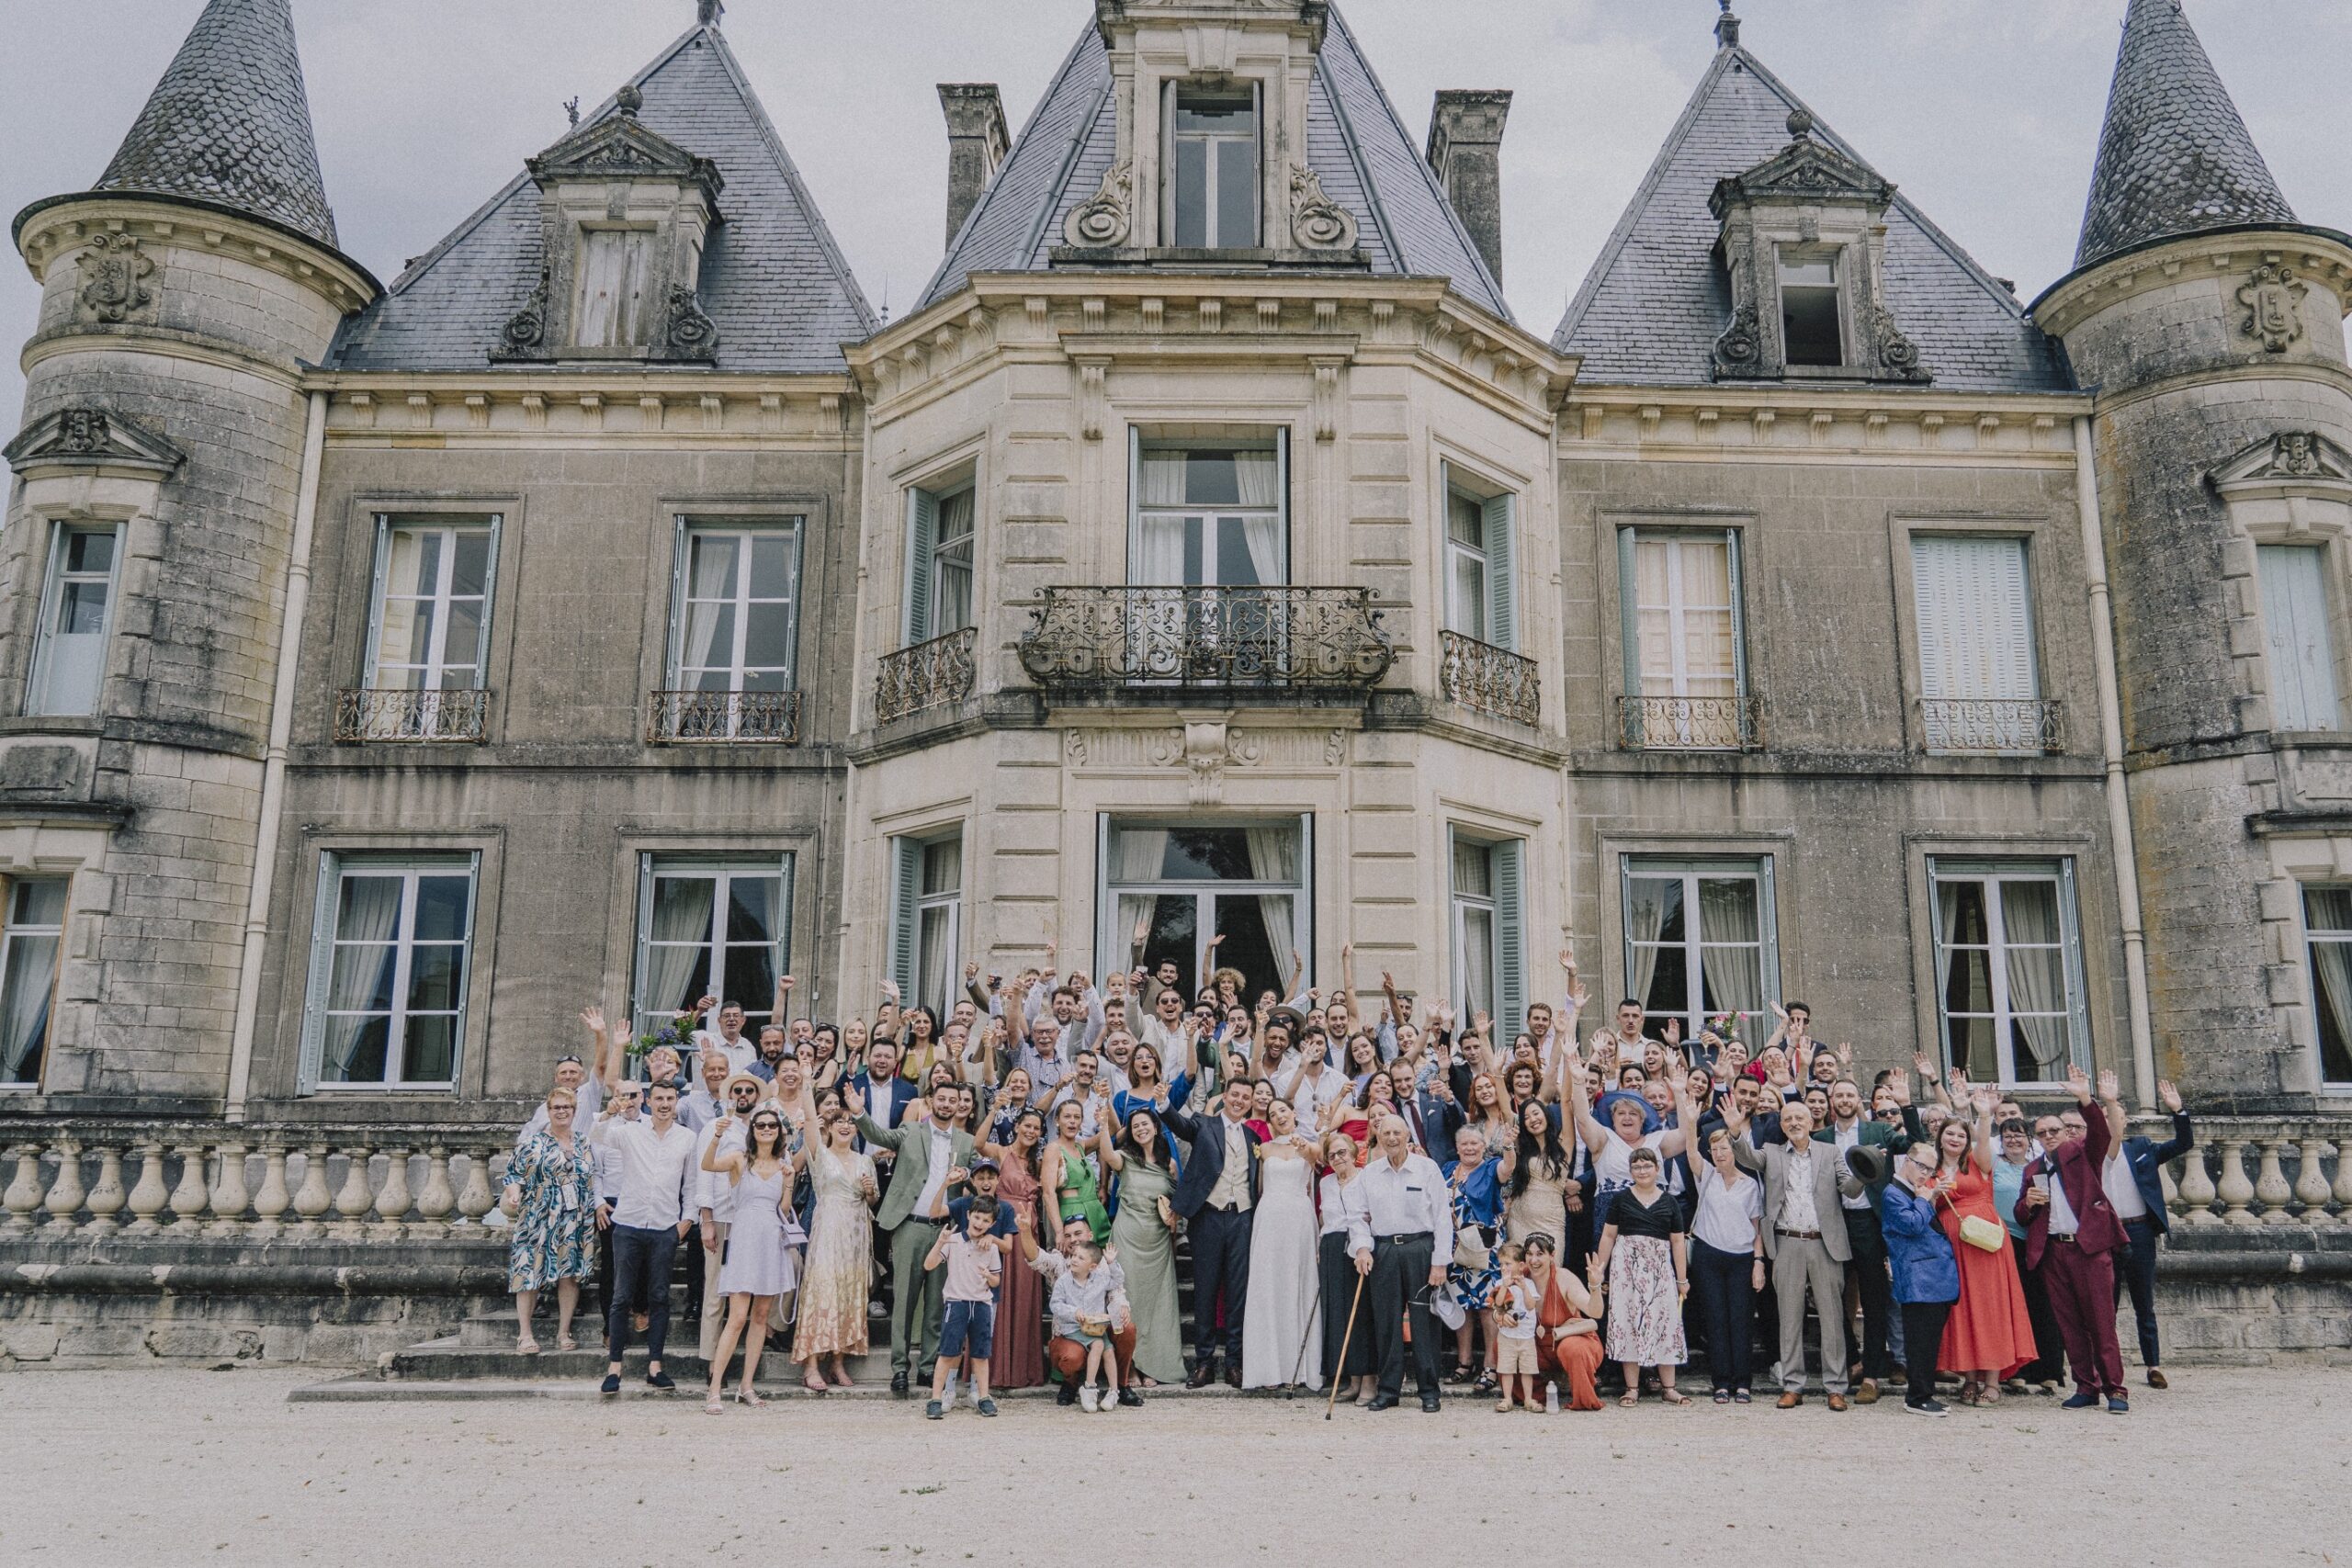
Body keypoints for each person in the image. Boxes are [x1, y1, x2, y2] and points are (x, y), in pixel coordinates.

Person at [1724, 1090, 1860, 1409]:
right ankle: (1793, 1385)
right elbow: (1747, 1158)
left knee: (1831, 1317)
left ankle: (1835, 1387)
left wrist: (1866, 1173)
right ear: (1782, 1125)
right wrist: (1734, 1131)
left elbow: (1849, 1188)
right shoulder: (1771, 1152)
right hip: (1786, 1242)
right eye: (1788, 1119)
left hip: (1824, 1243)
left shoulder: (1830, 1152)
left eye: (1800, 1117)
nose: (1794, 1122)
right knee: (1789, 1318)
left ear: (1811, 1122)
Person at [2016, 1067, 2132, 1413]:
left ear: (2065, 1132)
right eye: (2042, 1133)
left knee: (2101, 1322)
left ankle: (2115, 1389)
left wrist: (2086, 1098)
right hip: (2053, 1250)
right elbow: (2021, 1214)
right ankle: (2086, 1386)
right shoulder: (2032, 1169)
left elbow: (2101, 1132)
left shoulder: (2083, 1153)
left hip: (2089, 1249)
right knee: (2069, 1324)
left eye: (2054, 1130)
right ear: (2036, 1138)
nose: (2049, 1136)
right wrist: (2027, 1204)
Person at [853, 1077, 975, 1398]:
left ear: (959, 1105)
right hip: (910, 1225)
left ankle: (928, 1366)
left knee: (936, 1302)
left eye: (953, 1100)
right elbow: (880, 1136)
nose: (947, 1104)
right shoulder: (911, 1130)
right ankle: (899, 1368)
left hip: (945, 1230)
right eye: (942, 1099)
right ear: (931, 1101)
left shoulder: (966, 1141)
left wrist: (968, 1174)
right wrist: (859, 1113)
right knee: (905, 1300)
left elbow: (979, 1174)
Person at [589, 1079, 697, 1395]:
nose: (664, 1104)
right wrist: (609, 1112)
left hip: (665, 1226)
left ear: (676, 1102)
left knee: (659, 1296)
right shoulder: (631, 1132)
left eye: (670, 1099)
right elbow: (596, 1135)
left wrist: (686, 1221)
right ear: (649, 1101)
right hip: (629, 1224)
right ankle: (614, 1368)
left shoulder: (687, 1137)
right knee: (621, 1297)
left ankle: (655, 1367)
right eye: (659, 1098)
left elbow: (691, 1183)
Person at [1931, 1083, 2036, 1404]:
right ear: (1940, 1137)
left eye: (1961, 1135)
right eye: (1949, 1134)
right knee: (1963, 1310)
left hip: (1985, 1242)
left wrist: (1983, 1114)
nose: (1955, 1139)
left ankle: (1992, 1381)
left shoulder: (1977, 1161)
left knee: (1991, 1307)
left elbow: (1983, 1143)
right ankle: (1970, 1378)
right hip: (1952, 1245)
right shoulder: (1931, 1168)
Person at [1163, 1077, 1264, 1388]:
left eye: (1245, 1097)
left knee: (1237, 1293)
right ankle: (1204, 1363)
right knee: (1205, 1292)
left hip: (1242, 1218)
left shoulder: (1252, 1137)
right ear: (1225, 1096)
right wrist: (1163, 1104)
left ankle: (1234, 1363)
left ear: (1250, 1102)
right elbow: (1180, 1125)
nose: (1239, 1101)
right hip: (1207, 1217)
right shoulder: (1204, 1124)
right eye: (1235, 1095)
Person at [1349, 1112, 1453, 1413]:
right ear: (1378, 1137)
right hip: (1383, 1251)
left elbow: (1442, 1217)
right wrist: (1362, 1248)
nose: (1392, 1138)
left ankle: (1429, 1391)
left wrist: (1440, 1262)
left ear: (1408, 1136)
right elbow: (1358, 1216)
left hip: (1420, 1248)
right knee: (1386, 1322)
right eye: (1386, 1133)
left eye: (1397, 1133)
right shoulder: (1369, 1173)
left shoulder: (1427, 1168)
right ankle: (1389, 1390)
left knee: (1424, 1322)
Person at [697, 1108, 798, 1413]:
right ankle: (715, 1388)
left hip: (771, 1238)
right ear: (753, 1130)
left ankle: (747, 1385)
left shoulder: (784, 1164)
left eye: (772, 1125)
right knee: (738, 1316)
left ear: (779, 1131)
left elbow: (784, 1209)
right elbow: (707, 1165)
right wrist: (717, 1136)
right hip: (744, 1236)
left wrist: (789, 1181)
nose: (767, 1129)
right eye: (761, 1125)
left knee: (761, 1316)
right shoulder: (740, 1159)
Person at [499, 1088, 599, 1355]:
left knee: (570, 1274)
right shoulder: (533, 1143)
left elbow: (593, 1176)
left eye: (567, 1107)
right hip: (538, 1216)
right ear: (549, 1111)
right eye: (557, 1107)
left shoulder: (584, 1142)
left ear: (574, 1111)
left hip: (573, 1218)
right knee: (529, 1273)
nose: (562, 1111)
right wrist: (514, 1194)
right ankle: (525, 1334)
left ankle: (564, 1332)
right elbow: (512, 1174)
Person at [2109, 1078, 2192, 1389]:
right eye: (2107, 1117)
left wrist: (2178, 1111)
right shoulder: (2093, 1155)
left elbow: (2182, 1144)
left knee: (2144, 1302)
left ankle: (2153, 1365)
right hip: (2108, 1233)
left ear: (2125, 1122)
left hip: (2140, 1229)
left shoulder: (2141, 1148)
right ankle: (2109, 1366)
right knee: (2107, 1304)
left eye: (2117, 1117)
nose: (2112, 1122)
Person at [1590, 1145, 1690, 1405]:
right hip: (1626, 1269)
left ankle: (1669, 1388)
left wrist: (1682, 1279)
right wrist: (1600, 1271)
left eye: (1647, 1166)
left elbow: (1678, 1242)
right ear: (1631, 1170)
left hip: (1660, 1270)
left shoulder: (1669, 1201)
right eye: (1636, 1166)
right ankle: (1632, 1388)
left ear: (1657, 1169)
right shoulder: (1620, 1199)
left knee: (1665, 1323)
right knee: (1628, 1323)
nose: (1642, 1170)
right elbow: (1608, 1236)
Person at [794, 1107, 880, 1392]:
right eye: (839, 1121)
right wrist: (807, 1085)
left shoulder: (865, 1160)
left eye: (851, 1122)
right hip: (828, 1230)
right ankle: (811, 1365)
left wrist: (869, 1190)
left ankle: (837, 1363)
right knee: (822, 1292)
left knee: (849, 1294)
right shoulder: (820, 1155)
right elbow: (809, 1121)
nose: (845, 1125)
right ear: (829, 1128)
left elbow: (872, 1201)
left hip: (856, 1234)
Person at [1018, 1209, 1140, 1405]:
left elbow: (1116, 1288)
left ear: (1090, 1235)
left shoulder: (1101, 1265)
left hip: (1098, 1328)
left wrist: (1122, 1306)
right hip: (1070, 1332)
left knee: (1127, 1329)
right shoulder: (1060, 1263)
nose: (1073, 1239)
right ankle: (1071, 1383)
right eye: (1068, 1235)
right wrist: (1025, 1231)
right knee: (1072, 1356)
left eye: (1077, 1233)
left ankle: (1120, 1387)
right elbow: (1036, 1258)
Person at [1240, 1099, 1323, 1390]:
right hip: (1270, 1217)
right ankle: (1268, 1369)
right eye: (1273, 1114)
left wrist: (1305, 1147)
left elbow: (1317, 1158)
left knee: (1298, 1285)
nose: (1279, 1116)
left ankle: (1297, 1369)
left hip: (1299, 1216)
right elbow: (1259, 1186)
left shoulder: (1309, 1145)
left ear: (1294, 1113)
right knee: (1269, 1287)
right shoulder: (1264, 1149)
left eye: (1283, 1111)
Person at [1101, 1106, 1184, 1388]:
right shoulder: (1125, 1158)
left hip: (1158, 1241)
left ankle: (1154, 1365)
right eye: (1135, 1126)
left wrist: (1174, 1218)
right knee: (1129, 1303)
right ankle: (1131, 1367)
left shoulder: (1168, 1164)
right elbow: (1107, 1154)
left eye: (1145, 1124)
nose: (1140, 1129)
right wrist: (1103, 1125)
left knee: (1158, 1306)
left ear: (1156, 1128)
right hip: (1127, 1238)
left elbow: (1176, 1202)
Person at [1880, 1138, 1960, 1416]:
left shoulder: (1916, 1190)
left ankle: (1924, 1394)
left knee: (1929, 1340)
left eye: (1930, 1169)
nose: (1925, 1173)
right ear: (1907, 1161)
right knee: (1920, 1342)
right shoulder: (1892, 1193)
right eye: (1921, 1166)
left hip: (1934, 1278)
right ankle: (1917, 1397)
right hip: (1918, 1279)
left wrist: (1930, 1196)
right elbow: (1912, 1225)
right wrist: (1926, 1199)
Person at [1686, 1125, 1765, 1404]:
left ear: (1735, 1151)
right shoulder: (1707, 1176)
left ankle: (1742, 1382)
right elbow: (1690, 1151)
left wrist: (1758, 1262)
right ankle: (1720, 1382)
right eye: (1714, 1149)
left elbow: (1756, 1228)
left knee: (1741, 1320)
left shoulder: (1750, 1184)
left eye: (1724, 1148)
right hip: (1709, 1255)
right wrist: (1690, 1119)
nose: (1719, 1154)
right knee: (1716, 1320)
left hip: (1742, 1257)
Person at [692, 1073, 765, 1363]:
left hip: (754, 1220)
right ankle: (711, 1359)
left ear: (756, 1096)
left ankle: (754, 1349)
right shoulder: (715, 1127)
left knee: (753, 1289)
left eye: (749, 1090)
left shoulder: (764, 1127)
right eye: (738, 1091)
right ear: (730, 1096)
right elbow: (703, 1174)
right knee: (715, 1292)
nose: (743, 1094)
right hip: (722, 1217)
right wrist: (707, 1220)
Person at [974, 1107, 1048, 1391]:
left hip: (1029, 1230)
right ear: (1016, 1126)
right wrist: (993, 1110)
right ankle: (995, 1369)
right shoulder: (1002, 1152)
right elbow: (978, 1143)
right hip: (1003, 1224)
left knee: (1024, 1295)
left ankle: (1020, 1369)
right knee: (1000, 1293)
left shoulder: (1037, 1162)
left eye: (1036, 1128)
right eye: (1027, 1125)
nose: (1031, 1131)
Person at [924, 1200, 1006, 1419]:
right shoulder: (952, 1241)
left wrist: (988, 1276)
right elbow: (929, 1264)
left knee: (981, 1354)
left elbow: (996, 1280)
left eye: (986, 1220)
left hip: (981, 1304)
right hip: (956, 1302)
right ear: (969, 1215)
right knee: (948, 1352)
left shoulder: (992, 1247)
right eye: (977, 1217)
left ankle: (984, 1396)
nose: (980, 1223)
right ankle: (935, 1398)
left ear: (992, 1224)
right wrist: (940, 1242)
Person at [1317, 1131, 1377, 1404]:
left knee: (1362, 1314)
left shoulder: (1366, 1177)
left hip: (1358, 1247)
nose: (1338, 1158)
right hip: (1331, 1248)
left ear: (1353, 1153)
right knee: (1340, 1315)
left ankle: (1369, 1380)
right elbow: (1324, 1219)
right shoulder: (1326, 1182)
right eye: (1332, 1155)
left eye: (1342, 1152)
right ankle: (1353, 1379)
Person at [1521, 1233, 1604, 1411]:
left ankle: (1583, 1399)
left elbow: (1595, 1312)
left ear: (1552, 1255)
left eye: (1540, 1254)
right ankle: (1537, 1397)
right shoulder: (1521, 1278)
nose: (1533, 1260)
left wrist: (1595, 1286)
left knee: (1572, 1348)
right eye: (1529, 1254)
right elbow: (1500, 1306)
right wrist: (1500, 1316)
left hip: (1569, 1340)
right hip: (1538, 1347)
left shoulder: (1564, 1278)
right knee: (1504, 1344)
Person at [1049, 1239, 1126, 1412]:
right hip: (1074, 1328)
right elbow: (1055, 1305)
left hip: (1096, 1328)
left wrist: (1111, 1263)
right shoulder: (1064, 1281)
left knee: (1109, 1351)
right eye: (1074, 1256)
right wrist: (1073, 1312)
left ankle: (1114, 1392)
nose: (1075, 1260)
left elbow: (1117, 1280)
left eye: (1081, 1258)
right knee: (1098, 1345)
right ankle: (1089, 1388)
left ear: (1092, 1267)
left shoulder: (1100, 1278)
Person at [1041, 1096, 1112, 1243]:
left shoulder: (1081, 1146)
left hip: (1095, 1210)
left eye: (1077, 1117)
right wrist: (1059, 1231)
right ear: (1057, 1121)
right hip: (1072, 1213)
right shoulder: (1053, 1149)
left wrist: (1105, 1104)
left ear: (1081, 1122)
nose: (1072, 1121)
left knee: (1100, 1255)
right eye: (1067, 1116)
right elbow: (1048, 1193)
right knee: (1076, 1255)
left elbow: (1114, 1130)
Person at [1489, 1243, 1540, 1413]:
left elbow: (1531, 1305)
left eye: (1508, 1264)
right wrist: (1504, 1286)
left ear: (1521, 1265)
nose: (1503, 1267)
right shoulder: (1499, 1283)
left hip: (1526, 1335)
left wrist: (1523, 1288)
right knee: (1506, 1368)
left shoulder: (1529, 1284)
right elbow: (1498, 1303)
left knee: (1527, 1369)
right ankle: (1507, 1398)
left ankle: (1528, 1398)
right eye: (1501, 1264)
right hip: (1507, 1335)